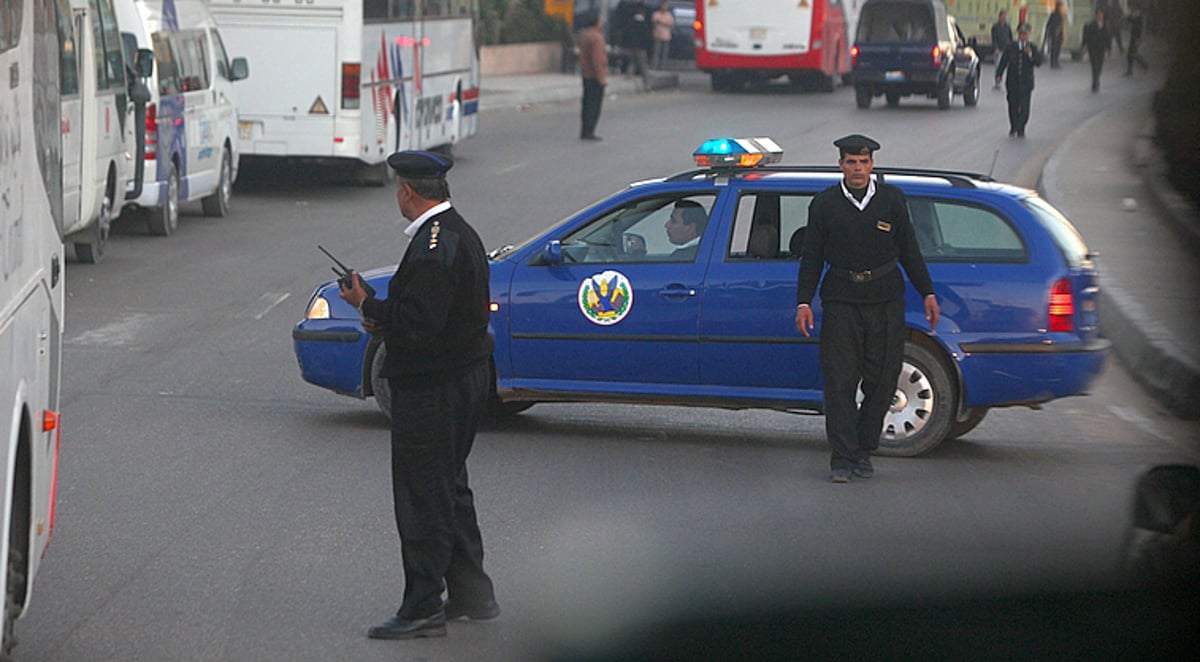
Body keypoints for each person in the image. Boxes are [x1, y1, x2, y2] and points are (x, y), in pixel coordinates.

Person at [338, 150, 499, 640]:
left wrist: (368, 304)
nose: (398, 196)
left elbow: (420, 327)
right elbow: (432, 314)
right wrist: (379, 310)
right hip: (461, 379)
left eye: (397, 189)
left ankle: (423, 605)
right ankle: (474, 595)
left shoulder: (433, 246)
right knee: (449, 486)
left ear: (408, 191)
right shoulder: (454, 233)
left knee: (423, 496)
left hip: (433, 387)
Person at [794, 135, 939, 484]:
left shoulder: (891, 200)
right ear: (841, 165)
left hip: (885, 301)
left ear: (872, 164)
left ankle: (863, 449)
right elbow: (812, 256)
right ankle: (842, 457)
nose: (857, 169)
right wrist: (804, 300)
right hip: (841, 301)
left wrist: (928, 292)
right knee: (840, 382)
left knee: (882, 379)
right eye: (850, 162)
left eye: (863, 162)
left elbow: (909, 251)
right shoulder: (825, 204)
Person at [996, 23, 1042, 138]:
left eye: (1025, 34)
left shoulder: (1032, 47)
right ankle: (1013, 126)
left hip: (1026, 83)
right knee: (1013, 105)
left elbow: (1038, 62)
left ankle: (1021, 127)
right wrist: (999, 74)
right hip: (1013, 81)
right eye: (1021, 34)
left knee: (1025, 107)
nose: (1023, 36)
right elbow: (1004, 61)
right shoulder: (1011, 47)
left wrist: (1030, 55)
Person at [577, 11, 607, 141]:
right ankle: (590, 130)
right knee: (594, 105)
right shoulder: (597, 38)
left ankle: (585, 129)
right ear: (597, 23)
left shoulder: (584, 36)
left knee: (586, 103)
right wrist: (601, 78)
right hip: (595, 76)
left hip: (586, 74)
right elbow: (598, 59)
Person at [1082, 8, 1112, 93]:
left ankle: (1096, 80)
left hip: (1101, 49)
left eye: (1101, 14)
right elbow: (1086, 37)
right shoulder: (1091, 25)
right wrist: (1084, 46)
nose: (1100, 16)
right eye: (1098, 14)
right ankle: (1095, 84)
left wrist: (1109, 49)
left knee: (1099, 67)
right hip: (1093, 49)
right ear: (1096, 15)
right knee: (1094, 66)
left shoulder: (1105, 26)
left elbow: (1108, 38)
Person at [991, 10, 1013, 89]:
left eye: (1005, 16)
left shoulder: (1007, 27)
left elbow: (1010, 38)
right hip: (998, 50)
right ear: (999, 17)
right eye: (1002, 16)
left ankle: (1007, 83)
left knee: (1008, 67)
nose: (1003, 18)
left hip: (1006, 49)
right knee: (998, 67)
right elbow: (994, 39)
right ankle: (997, 82)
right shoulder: (995, 27)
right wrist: (995, 48)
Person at [1125, 2, 1149, 75]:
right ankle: (1130, 71)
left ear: (1138, 10)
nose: (1133, 9)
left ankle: (1145, 65)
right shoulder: (1136, 16)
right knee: (1130, 54)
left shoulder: (1139, 18)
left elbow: (1140, 30)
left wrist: (1138, 40)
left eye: (1135, 9)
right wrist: (1131, 13)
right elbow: (1128, 19)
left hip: (1136, 38)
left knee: (1133, 54)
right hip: (1133, 37)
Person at [652, 2, 675, 70]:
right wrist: (664, 23)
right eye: (663, 6)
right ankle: (655, 66)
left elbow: (670, 24)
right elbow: (655, 21)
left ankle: (663, 67)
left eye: (666, 6)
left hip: (666, 36)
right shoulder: (656, 14)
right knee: (656, 53)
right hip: (657, 36)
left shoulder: (669, 15)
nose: (664, 7)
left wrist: (661, 22)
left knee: (664, 54)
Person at [1045, 1, 1065, 68]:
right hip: (1056, 35)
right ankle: (1054, 63)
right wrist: (1057, 32)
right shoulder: (1058, 15)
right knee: (1055, 49)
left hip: (1055, 35)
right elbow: (1059, 25)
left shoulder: (1054, 14)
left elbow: (1048, 24)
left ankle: (1054, 63)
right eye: (1061, 6)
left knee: (1055, 49)